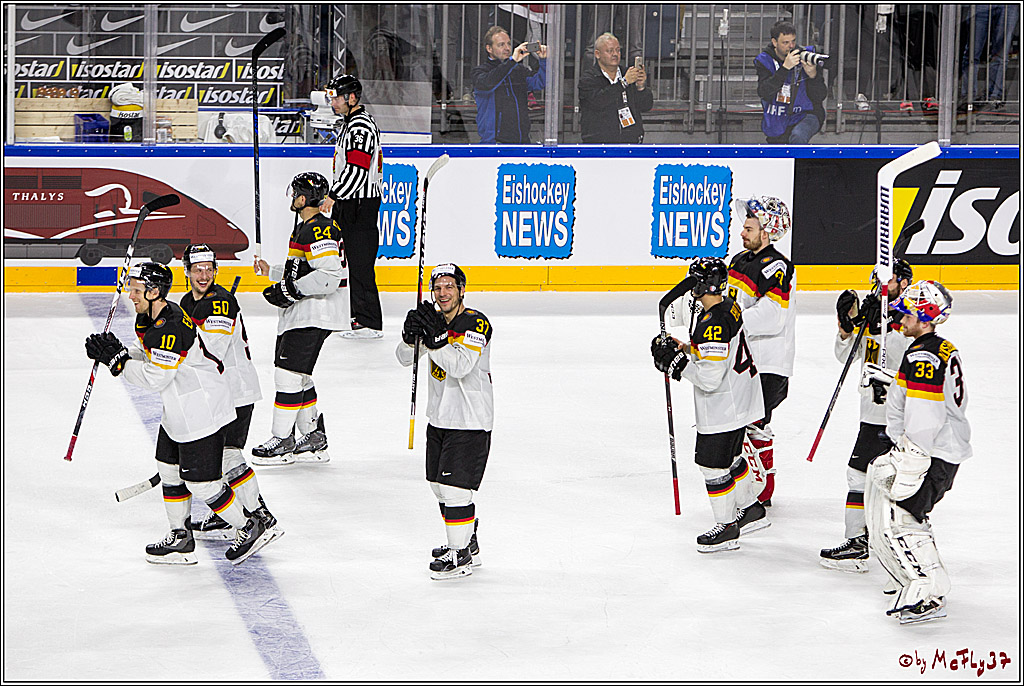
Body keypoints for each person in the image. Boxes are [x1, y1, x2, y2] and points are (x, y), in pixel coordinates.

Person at [84, 262, 274, 565]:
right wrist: (118, 350)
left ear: (154, 291)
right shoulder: (151, 316)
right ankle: (180, 538)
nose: (130, 295)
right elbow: (146, 350)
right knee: (168, 468)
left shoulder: (170, 325)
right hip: (179, 408)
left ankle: (249, 525)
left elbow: (155, 377)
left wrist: (116, 363)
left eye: (136, 290)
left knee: (202, 483)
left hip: (202, 409)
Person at [864, 280, 969, 624]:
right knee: (906, 516)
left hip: (930, 452)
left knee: (905, 519)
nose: (900, 318)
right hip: (939, 448)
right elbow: (918, 396)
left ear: (925, 320)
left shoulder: (922, 355)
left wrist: (908, 460)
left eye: (907, 313)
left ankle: (929, 590)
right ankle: (916, 579)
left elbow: (925, 416)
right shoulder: (935, 350)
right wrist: (890, 380)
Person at [651, 258, 769, 553]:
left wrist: (677, 365)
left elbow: (710, 378)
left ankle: (727, 527)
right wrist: (687, 348)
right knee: (731, 458)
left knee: (712, 464)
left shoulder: (712, 322)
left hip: (723, 407)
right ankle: (751, 510)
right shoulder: (728, 306)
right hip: (741, 399)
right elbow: (720, 351)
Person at [396, 264, 493, 580]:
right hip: (439, 417)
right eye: (438, 288)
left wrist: (435, 339)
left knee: (454, 490)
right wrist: (410, 337)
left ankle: (460, 554)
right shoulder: (434, 325)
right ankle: (466, 538)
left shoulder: (476, 323)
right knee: (439, 486)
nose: (443, 293)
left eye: (450, 286)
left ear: (462, 289)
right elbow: (402, 357)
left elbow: (461, 365)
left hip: (469, 420)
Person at [179, 244, 282, 541]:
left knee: (227, 456)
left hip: (235, 390)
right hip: (216, 390)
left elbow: (212, 350)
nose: (203, 275)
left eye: (209, 269)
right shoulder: (188, 301)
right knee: (221, 456)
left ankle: (259, 514)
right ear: (187, 271)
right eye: (197, 269)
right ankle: (231, 516)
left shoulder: (220, 303)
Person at [820, 259, 913, 572]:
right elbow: (844, 356)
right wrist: (847, 327)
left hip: (894, 417)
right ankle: (877, 543)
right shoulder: (873, 312)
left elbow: (904, 359)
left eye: (887, 282)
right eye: (876, 282)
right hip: (871, 413)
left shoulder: (911, 318)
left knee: (865, 476)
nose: (879, 288)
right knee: (871, 477)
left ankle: (864, 543)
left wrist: (884, 324)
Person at [252, 172, 346, 465]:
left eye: (295, 193)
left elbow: (330, 276)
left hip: (314, 312)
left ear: (303, 198)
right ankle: (313, 438)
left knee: (288, 375)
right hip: (308, 311)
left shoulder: (319, 229)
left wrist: (290, 290)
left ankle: (282, 440)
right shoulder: (309, 227)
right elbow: (303, 270)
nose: (292, 198)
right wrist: (274, 272)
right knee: (300, 375)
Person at [727, 196, 796, 507]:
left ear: (766, 231)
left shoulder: (778, 267)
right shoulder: (740, 260)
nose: (742, 232)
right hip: (743, 359)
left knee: (753, 425)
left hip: (768, 364)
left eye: (749, 227)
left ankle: (760, 492)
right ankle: (753, 489)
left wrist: (730, 321)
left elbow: (772, 314)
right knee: (739, 423)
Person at [320, 74, 384, 339]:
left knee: (360, 263)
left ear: (352, 98)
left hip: (358, 203)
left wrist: (333, 195)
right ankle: (359, 316)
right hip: (353, 203)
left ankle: (369, 322)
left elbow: (357, 170)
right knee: (354, 262)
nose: (332, 102)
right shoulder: (350, 124)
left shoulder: (360, 128)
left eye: (336, 97)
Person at [754, 20, 827, 144]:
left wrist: (813, 76)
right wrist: (785, 69)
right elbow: (764, 92)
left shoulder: (805, 55)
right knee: (777, 148)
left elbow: (820, 96)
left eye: (793, 41)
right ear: (774, 42)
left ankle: (800, 162)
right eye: (785, 43)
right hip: (778, 116)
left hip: (807, 113)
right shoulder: (764, 60)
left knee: (798, 136)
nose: (791, 46)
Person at [472, 26, 547, 144]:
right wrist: (512, 61)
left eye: (508, 44)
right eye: (501, 45)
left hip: (522, 141)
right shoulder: (480, 71)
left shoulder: (518, 69)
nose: (507, 48)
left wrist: (544, 60)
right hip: (494, 143)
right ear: (489, 48)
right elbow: (488, 83)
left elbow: (539, 82)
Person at [578, 32, 653, 144]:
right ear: (597, 54)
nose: (615, 54)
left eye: (618, 50)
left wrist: (641, 86)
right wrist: (623, 83)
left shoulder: (628, 74)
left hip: (630, 143)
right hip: (598, 143)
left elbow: (646, 106)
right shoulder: (588, 78)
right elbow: (599, 101)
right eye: (609, 51)